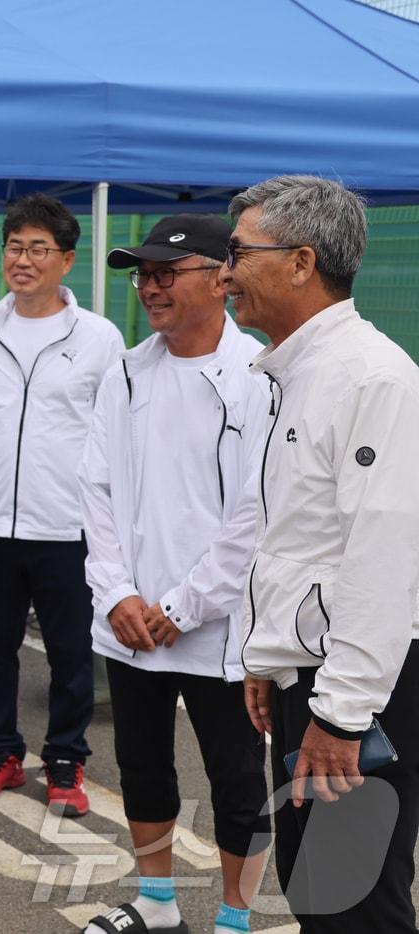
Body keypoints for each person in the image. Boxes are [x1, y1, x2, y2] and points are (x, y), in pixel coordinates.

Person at [225, 176, 419, 932]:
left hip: (361, 692)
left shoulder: (372, 379)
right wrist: (268, 657)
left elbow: (384, 557)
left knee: (355, 906)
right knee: (317, 897)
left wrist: (339, 716)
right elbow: (299, 539)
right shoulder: (295, 374)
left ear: (301, 261)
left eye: (241, 252)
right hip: (316, 676)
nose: (225, 270)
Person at [78, 215, 271, 934]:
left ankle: (234, 918)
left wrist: (184, 606)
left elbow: (255, 515)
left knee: (237, 780)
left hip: (216, 626)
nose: (150, 287)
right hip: (132, 619)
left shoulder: (256, 379)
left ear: (221, 278)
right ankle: (157, 904)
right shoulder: (124, 370)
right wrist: (118, 593)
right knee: (142, 766)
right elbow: (94, 490)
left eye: (167, 272)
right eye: (143, 274)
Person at [0, 192, 124, 817]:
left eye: (40, 248)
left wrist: (116, 522)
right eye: (15, 247)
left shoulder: (97, 339)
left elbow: (117, 435)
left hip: (69, 529)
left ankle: (66, 760)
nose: (24, 259)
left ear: (67, 260)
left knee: (70, 655)